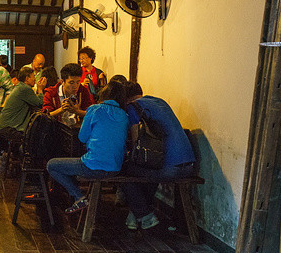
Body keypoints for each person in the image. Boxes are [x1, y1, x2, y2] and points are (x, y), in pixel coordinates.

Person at [120, 82, 196, 230]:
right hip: (189, 165)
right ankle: (137, 215)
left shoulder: (133, 107)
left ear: (125, 98)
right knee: (149, 168)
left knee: (121, 170)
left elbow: (138, 146)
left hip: (169, 169)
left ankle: (145, 215)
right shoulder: (159, 101)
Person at [47, 81, 129, 214]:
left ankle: (78, 196)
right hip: (115, 168)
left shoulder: (94, 109)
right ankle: (80, 198)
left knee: (52, 165)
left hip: (93, 166)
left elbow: (82, 138)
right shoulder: (124, 116)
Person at [0, 67, 45, 153]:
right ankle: (23, 160)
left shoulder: (19, 86)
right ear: (27, 79)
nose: (35, 79)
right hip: (9, 128)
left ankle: (14, 156)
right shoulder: (25, 89)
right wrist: (40, 89)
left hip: (2, 126)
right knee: (35, 137)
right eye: (33, 77)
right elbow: (39, 104)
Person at [43, 63, 95, 127]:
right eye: (71, 82)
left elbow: (91, 113)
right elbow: (45, 116)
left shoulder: (83, 91)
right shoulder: (51, 93)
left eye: (78, 82)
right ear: (62, 82)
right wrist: (61, 109)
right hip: (56, 130)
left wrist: (76, 111)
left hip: (76, 130)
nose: (75, 86)